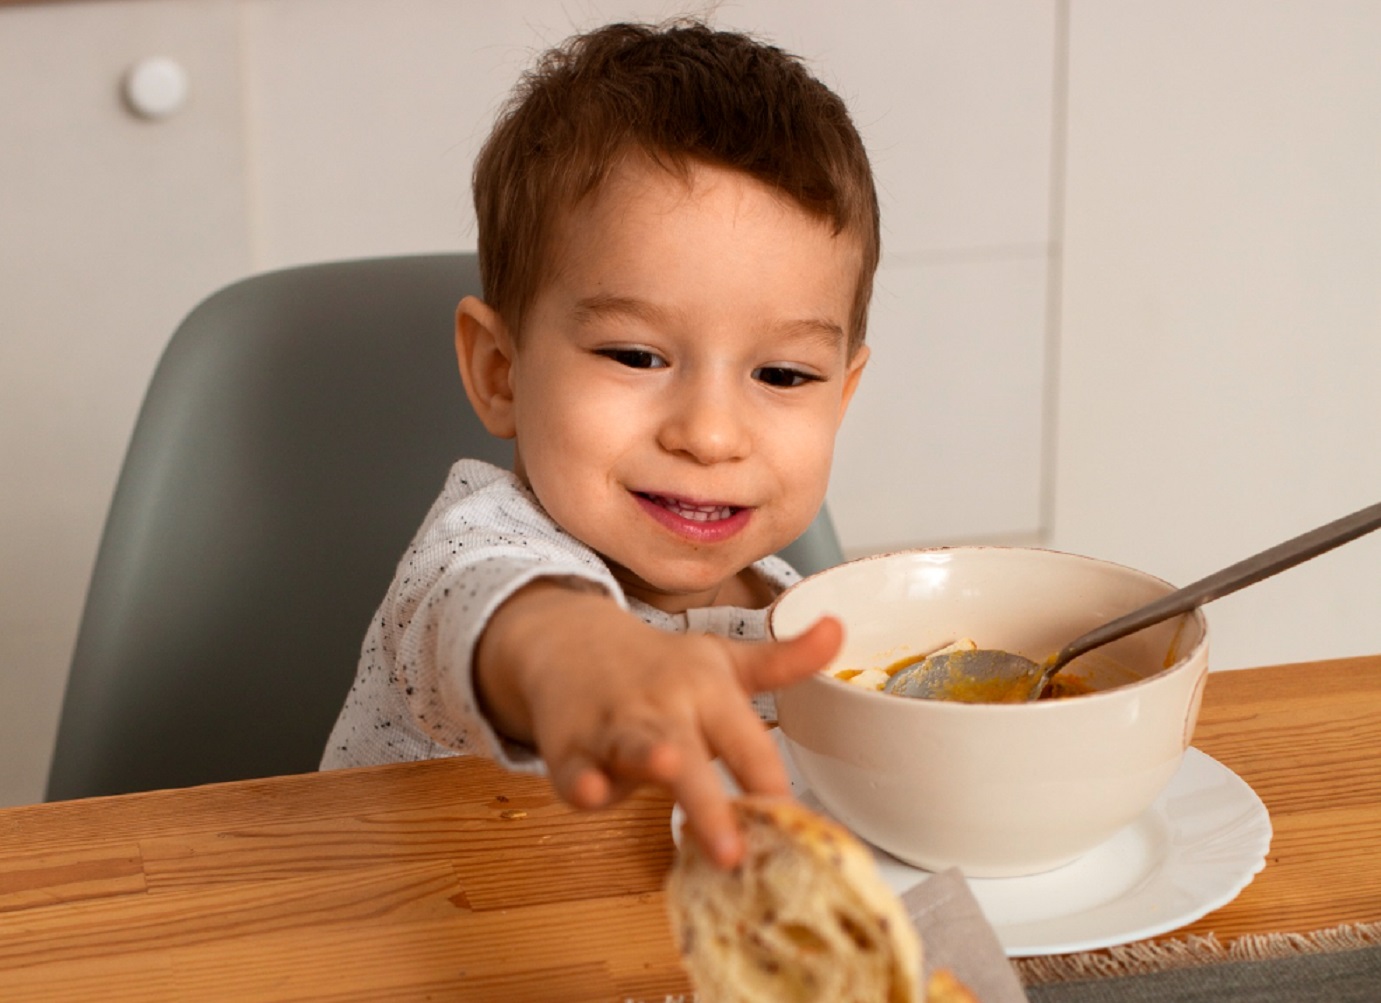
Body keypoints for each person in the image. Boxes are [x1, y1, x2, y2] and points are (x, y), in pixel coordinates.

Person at [322, 19, 879, 869]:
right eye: (635, 355)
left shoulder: (791, 614)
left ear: (841, 398)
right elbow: (518, 627)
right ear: (501, 371)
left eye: (783, 376)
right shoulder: (472, 552)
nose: (709, 433)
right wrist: (594, 660)